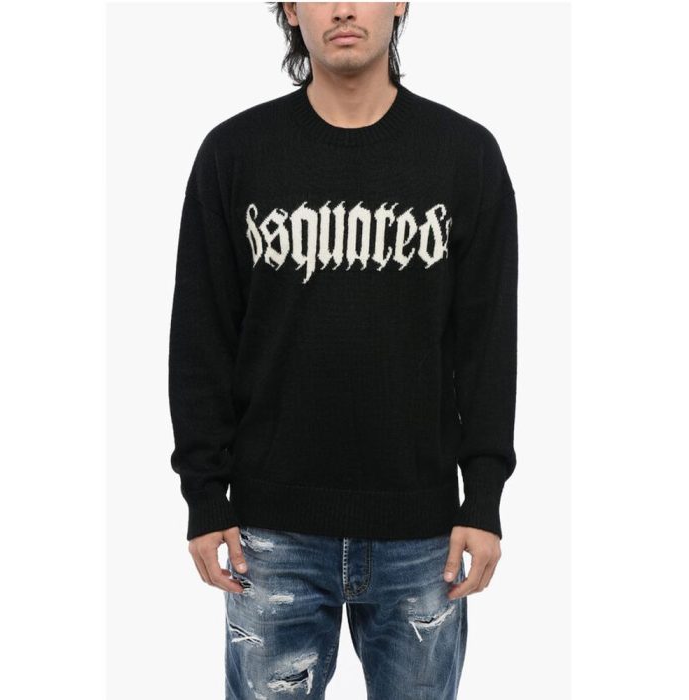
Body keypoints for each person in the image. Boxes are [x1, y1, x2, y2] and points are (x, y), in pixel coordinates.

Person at [168, 3, 518, 698]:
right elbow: (201, 339)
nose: (345, 9)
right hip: (270, 537)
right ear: (290, 10)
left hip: (424, 534)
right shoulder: (234, 154)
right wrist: (205, 497)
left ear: (401, 3)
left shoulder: (464, 155)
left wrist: (483, 500)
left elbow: (488, 345)